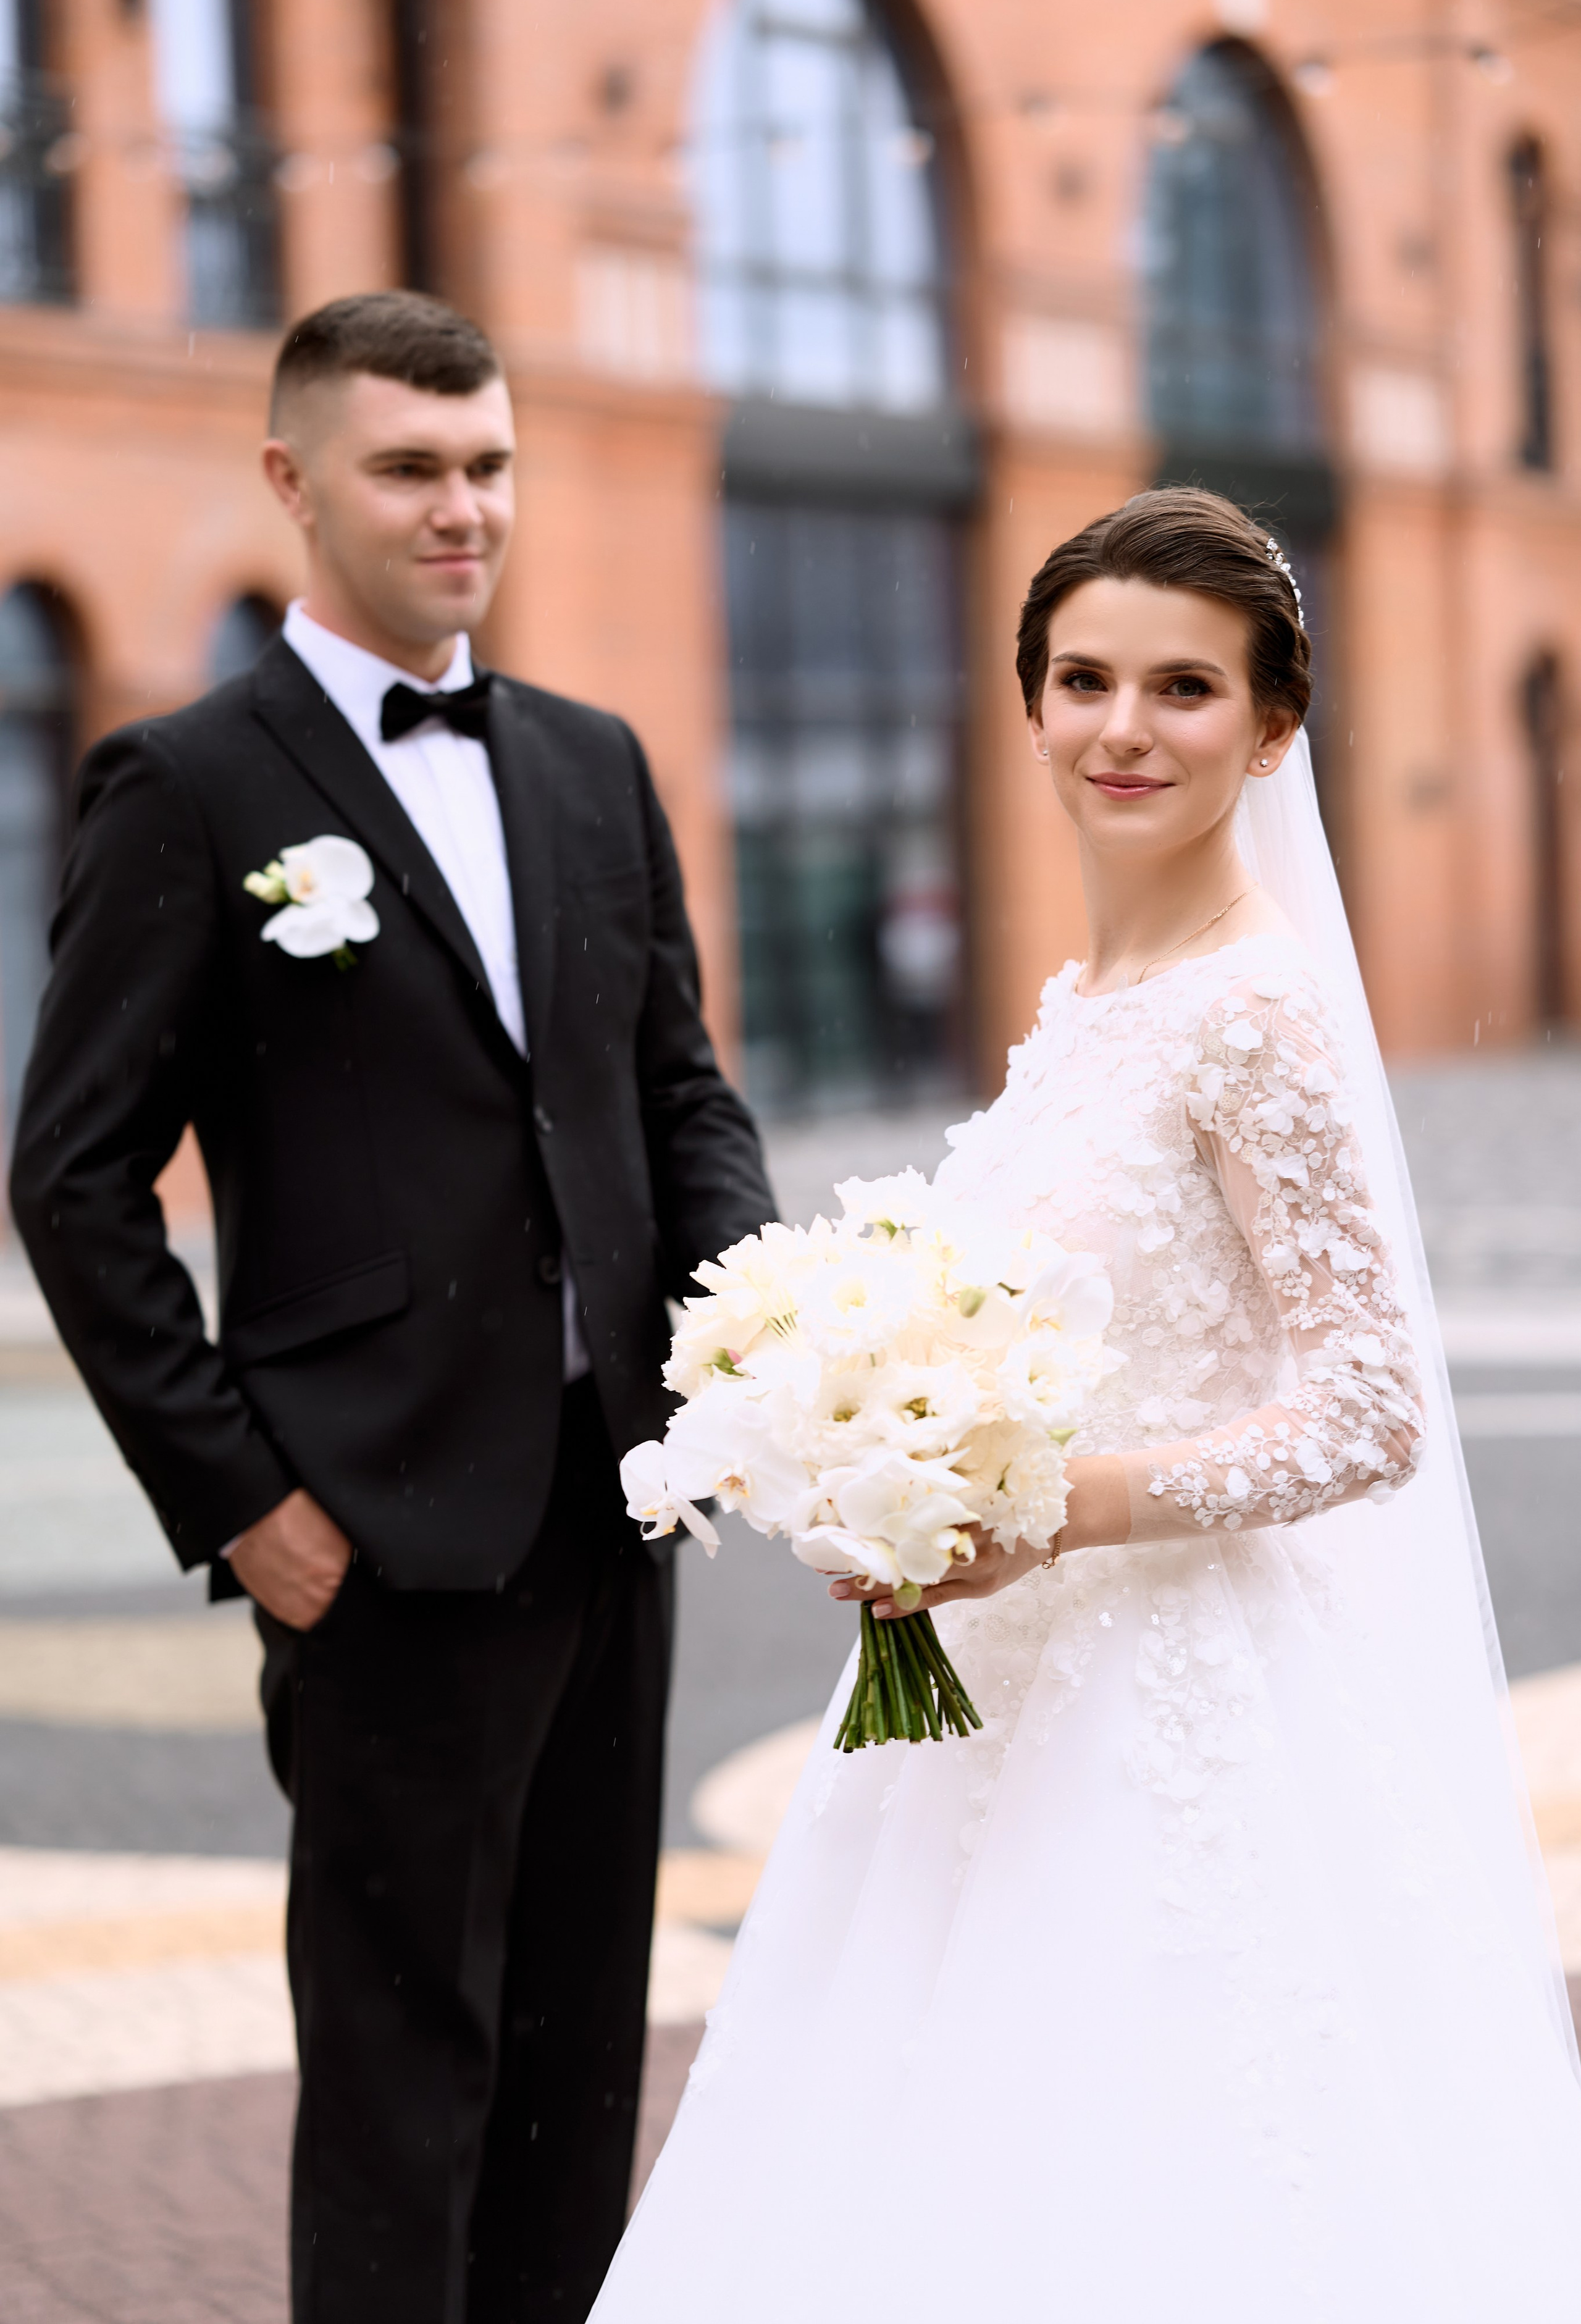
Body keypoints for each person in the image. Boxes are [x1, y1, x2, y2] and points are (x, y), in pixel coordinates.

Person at [590, 489, 1581, 2321]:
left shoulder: (1254, 1012)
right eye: (1085, 679)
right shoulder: (1091, 996)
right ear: (1030, 700)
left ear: (1274, 727)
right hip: (995, 1692)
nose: (1126, 728)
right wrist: (875, 1455)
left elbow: (1368, 1407)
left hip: (1180, 1700)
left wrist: (1055, 1510)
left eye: (1186, 689)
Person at [9, 290, 774, 2323]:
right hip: (370, 1533)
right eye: (413, 469)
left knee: (572, 2068)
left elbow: (677, 1097)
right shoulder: (182, 785)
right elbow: (70, 1177)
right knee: (399, 2076)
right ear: (294, 484)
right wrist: (242, 1496)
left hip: (615, 1511)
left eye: (490, 466)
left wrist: (749, 1355)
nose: (465, 509)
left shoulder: (598, 770)